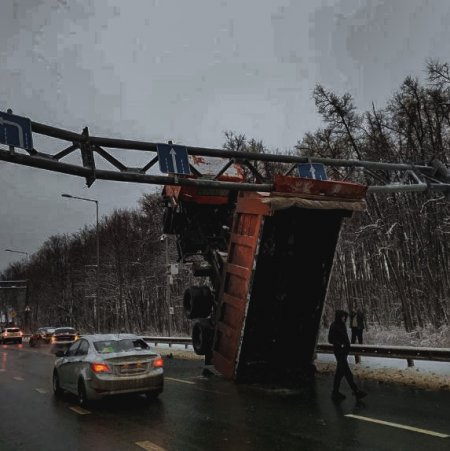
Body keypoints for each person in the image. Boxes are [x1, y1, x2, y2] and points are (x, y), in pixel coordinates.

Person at [328, 310, 367, 401]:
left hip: (344, 352)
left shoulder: (342, 325)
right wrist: (340, 344)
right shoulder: (334, 325)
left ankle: (335, 392)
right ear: (339, 317)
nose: (344, 318)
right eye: (342, 316)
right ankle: (356, 391)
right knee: (347, 373)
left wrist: (346, 345)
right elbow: (330, 339)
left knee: (340, 373)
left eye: (345, 316)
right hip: (339, 352)